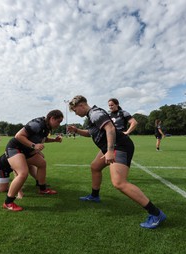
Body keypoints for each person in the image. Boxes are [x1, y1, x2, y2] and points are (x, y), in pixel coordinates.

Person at [67, 95, 166, 229]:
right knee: (95, 167)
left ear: (81, 106)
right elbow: (90, 133)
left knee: (119, 183)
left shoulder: (95, 113)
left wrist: (110, 150)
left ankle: (156, 214)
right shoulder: (91, 116)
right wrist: (77, 130)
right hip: (110, 146)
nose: (75, 113)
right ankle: (94, 196)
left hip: (119, 146)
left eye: (75, 110)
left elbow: (110, 129)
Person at [2, 109, 64, 211]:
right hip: (15, 148)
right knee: (23, 173)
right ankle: (8, 202)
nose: (59, 124)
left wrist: (54, 140)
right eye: (58, 121)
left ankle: (42, 189)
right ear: (52, 118)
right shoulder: (37, 124)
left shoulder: (47, 126)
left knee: (42, 163)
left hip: (26, 151)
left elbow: (42, 139)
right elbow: (18, 136)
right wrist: (34, 146)